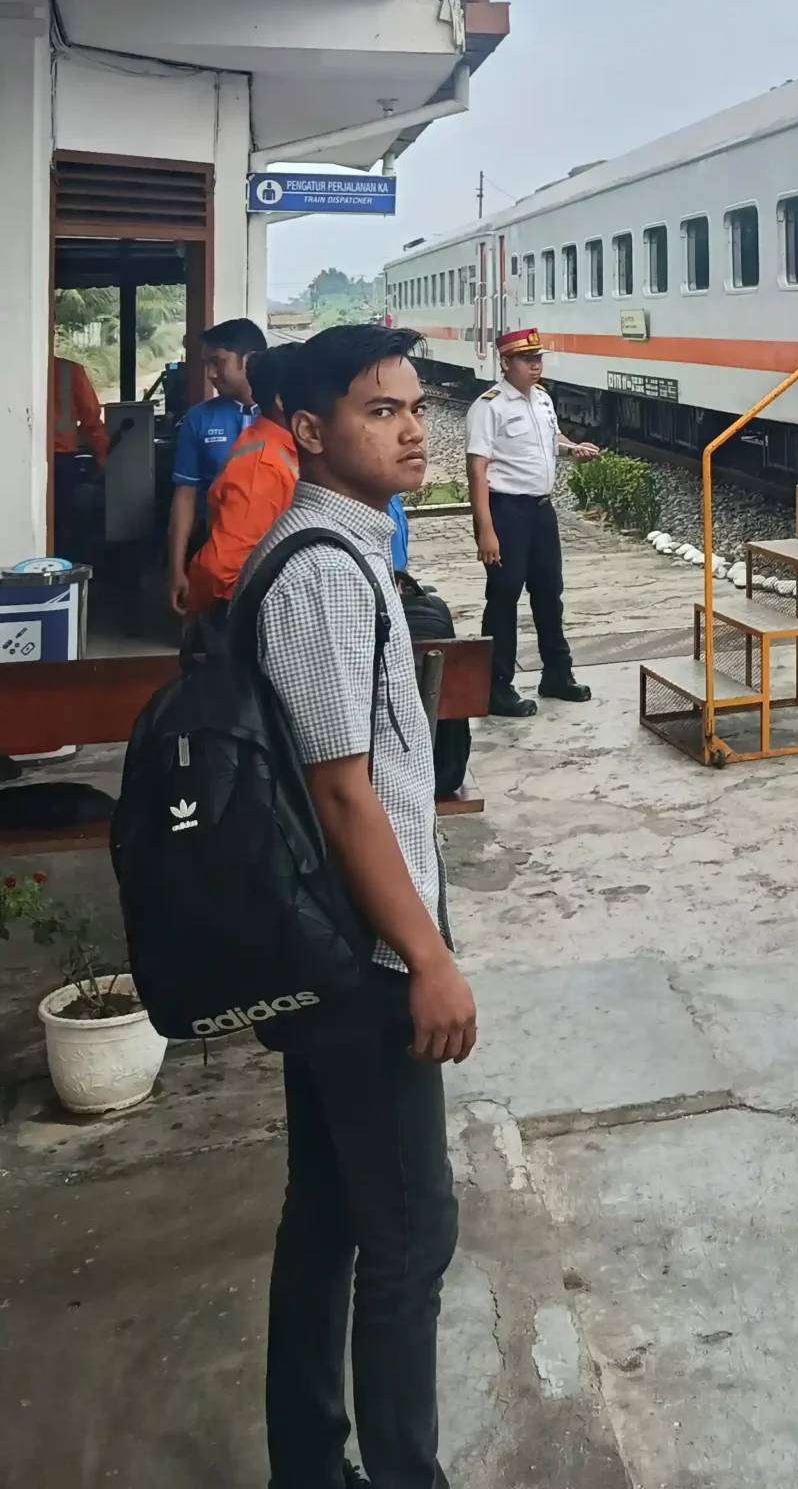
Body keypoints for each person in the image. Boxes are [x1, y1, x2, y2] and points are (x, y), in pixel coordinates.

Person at [233, 323, 474, 1489]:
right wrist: (425, 954)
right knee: (411, 1236)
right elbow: (343, 793)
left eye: (417, 405)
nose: (415, 426)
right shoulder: (323, 568)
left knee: (329, 1211)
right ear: (313, 432)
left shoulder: (343, 546)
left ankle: (309, 1467)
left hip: (333, 943)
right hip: (361, 962)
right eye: (382, 410)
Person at [465, 329, 598, 717]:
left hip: (541, 510)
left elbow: (547, 440)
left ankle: (557, 673)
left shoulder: (542, 400)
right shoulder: (489, 407)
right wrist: (485, 529)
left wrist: (572, 448)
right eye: (526, 359)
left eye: (538, 357)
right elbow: (477, 469)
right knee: (504, 598)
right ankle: (496, 685)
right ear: (506, 363)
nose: (535, 365)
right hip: (507, 512)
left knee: (548, 592)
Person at [181, 346, 299, 617]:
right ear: (282, 402)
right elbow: (218, 567)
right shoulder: (263, 466)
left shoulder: (278, 446)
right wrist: (202, 613)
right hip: (244, 612)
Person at [165, 317, 266, 613]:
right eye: (206, 364)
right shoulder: (199, 419)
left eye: (218, 362)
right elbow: (185, 495)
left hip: (279, 558)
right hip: (217, 563)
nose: (209, 374)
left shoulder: (288, 415)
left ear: (248, 360)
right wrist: (176, 569)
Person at [49, 352, 110, 561]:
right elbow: (91, 419)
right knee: (63, 525)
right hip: (62, 460)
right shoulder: (69, 371)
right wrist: (101, 458)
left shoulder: (14, 368)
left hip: (21, 461)